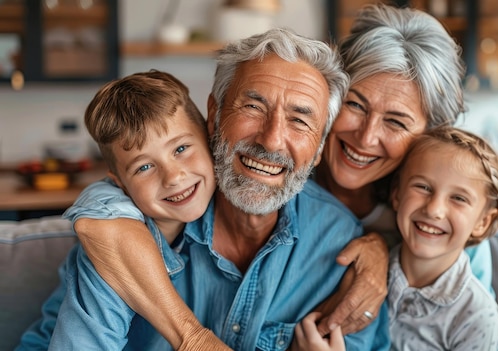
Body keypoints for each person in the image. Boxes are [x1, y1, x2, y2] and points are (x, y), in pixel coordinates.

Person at [52, 2, 494, 346]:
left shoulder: (429, 230)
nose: (365, 136)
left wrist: (377, 248)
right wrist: (193, 339)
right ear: (214, 114)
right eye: (356, 106)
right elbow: (104, 214)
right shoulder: (172, 196)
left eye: (396, 122)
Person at [23, 27, 391, 350]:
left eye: (299, 120)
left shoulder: (341, 246)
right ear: (214, 115)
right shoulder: (133, 228)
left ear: (319, 149)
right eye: (253, 106)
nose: (273, 140)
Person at [17, 70, 229, 349]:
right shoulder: (108, 244)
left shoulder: (221, 221)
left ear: (208, 136)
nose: (173, 176)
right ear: (120, 184)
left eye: (180, 149)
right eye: (144, 167)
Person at [294, 126, 498, 351]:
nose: (434, 209)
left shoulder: (477, 316)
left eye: (458, 198)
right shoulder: (360, 272)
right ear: (397, 194)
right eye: (423, 187)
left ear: (482, 222)